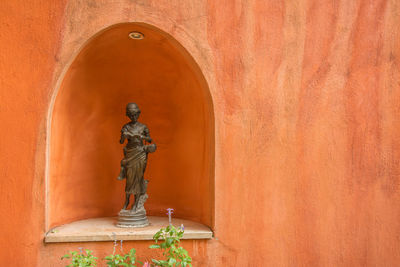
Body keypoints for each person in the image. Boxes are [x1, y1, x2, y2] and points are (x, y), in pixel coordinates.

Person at [117, 103, 156, 211]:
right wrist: (124, 136)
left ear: (138, 114)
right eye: (131, 115)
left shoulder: (143, 127)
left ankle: (136, 202)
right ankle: (127, 201)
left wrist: (141, 136)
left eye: (135, 115)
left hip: (140, 153)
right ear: (128, 115)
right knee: (129, 179)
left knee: (138, 178)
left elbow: (149, 140)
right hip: (130, 153)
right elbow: (121, 142)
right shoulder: (126, 126)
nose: (133, 117)